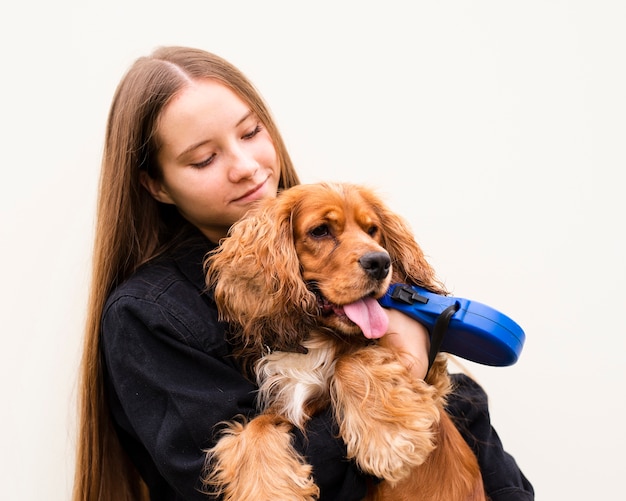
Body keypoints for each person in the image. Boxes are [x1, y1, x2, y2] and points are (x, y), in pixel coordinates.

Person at [72, 46, 534, 501]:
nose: (247, 167)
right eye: (204, 159)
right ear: (157, 185)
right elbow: (211, 483)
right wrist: (406, 365)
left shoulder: (345, 254)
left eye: (251, 132)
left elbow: (471, 423)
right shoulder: (150, 317)